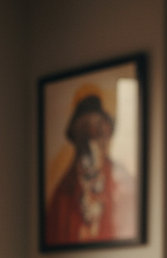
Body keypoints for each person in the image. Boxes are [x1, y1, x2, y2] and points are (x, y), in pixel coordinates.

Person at [45, 89, 137, 246]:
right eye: (85, 129)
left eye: (98, 128)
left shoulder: (123, 183)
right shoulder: (62, 195)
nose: (92, 134)